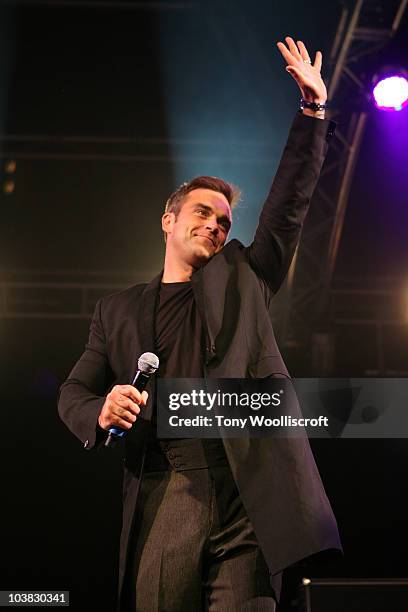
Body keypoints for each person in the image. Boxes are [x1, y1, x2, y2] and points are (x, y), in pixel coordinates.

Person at [58, 37, 342, 611]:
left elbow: (287, 209)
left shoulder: (245, 277)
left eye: (224, 220)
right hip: (167, 490)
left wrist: (312, 113)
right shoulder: (115, 310)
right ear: (168, 220)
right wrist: (101, 409)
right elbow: (72, 392)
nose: (216, 225)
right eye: (202, 213)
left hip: (246, 494)